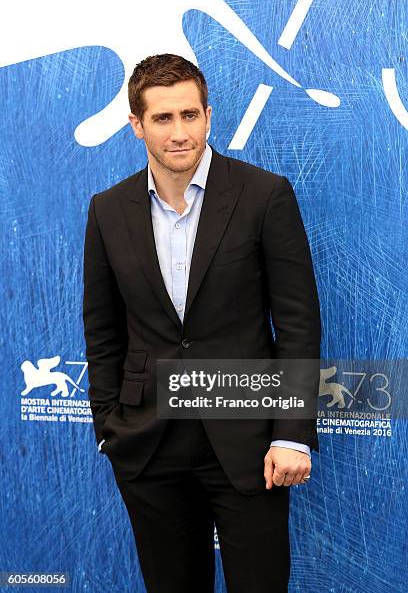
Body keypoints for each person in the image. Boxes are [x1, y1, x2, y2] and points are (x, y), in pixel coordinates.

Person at [82, 53, 321, 592]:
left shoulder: (264, 195)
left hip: (249, 442)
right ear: (136, 124)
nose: (180, 132)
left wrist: (291, 434)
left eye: (190, 115)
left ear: (209, 116)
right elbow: (102, 331)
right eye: (163, 119)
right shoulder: (108, 209)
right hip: (148, 445)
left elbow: (298, 323)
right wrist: (109, 429)